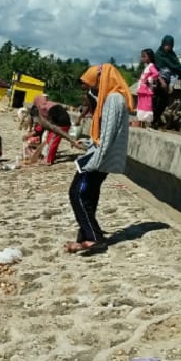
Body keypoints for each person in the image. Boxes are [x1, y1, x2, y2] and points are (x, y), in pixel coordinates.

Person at [64, 63, 133, 254]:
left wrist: (93, 162)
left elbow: (108, 135)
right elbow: (103, 134)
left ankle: (94, 238)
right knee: (88, 196)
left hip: (100, 159)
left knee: (77, 193)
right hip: (101, 156)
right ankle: (85, 237)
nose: (93, 89)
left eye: (94, 85)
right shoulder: (113, 98)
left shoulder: (113, 99)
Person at [153, 35, 181, 129]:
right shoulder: (158, 55)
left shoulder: (172, 57)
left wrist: (171, 85)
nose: (168, 47)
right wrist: (160, 80)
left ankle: (155, 120)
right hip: (157, 81)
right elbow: (154, 69)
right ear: (163, 44)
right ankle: (152, 120)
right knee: (155, 100)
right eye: (166, 45)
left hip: (167, 82)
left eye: (170, 45)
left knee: (164, 101)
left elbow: (176, 69)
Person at [33, 95, 73, 165]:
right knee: (49, 139)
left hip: (61, 124)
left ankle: (48, 160)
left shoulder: (43, 107)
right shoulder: (48, 104)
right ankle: (50, 155)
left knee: (53, 141)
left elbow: (47, 120)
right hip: (61, 122)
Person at [136, 48, 159, 128]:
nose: (142, 58)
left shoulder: (151, 66)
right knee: (141, 105)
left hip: (146, 90)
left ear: (149, 57)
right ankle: (141, 123)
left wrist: (149, 79)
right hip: (142, 89)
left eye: (144, 56)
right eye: (142, 56)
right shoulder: (146, 67)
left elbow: (156, 73)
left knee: (146, 105)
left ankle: (145, 124)